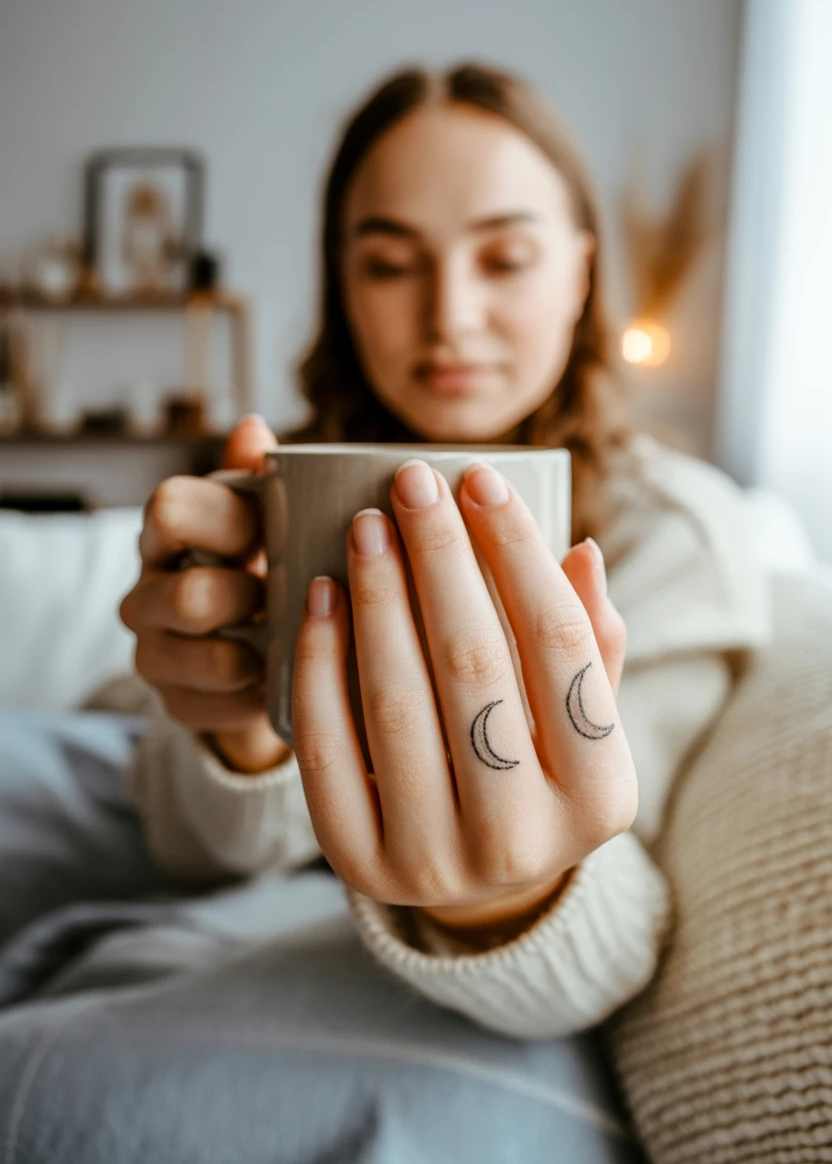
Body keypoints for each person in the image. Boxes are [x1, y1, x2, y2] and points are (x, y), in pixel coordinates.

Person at [119, 62, 770, 1039]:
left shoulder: (671, 540)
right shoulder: (273, 495)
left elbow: (630, 901)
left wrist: (504, 897)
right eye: (389, 264)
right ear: (342, 282)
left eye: (503, 258)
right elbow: (181, 847)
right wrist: (240, 728)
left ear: (581, 272)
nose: (448, 317)